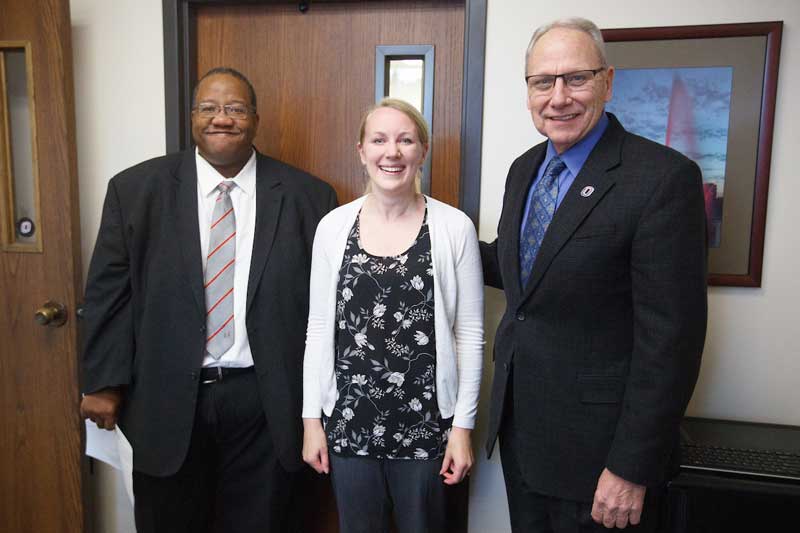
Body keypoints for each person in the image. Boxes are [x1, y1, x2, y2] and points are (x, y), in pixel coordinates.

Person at [79, 67, 337, 532]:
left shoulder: (309, 197)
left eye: (235, 109)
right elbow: (108, 293)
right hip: (165, 396)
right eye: (209, 108)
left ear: (255, 119)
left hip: (267, 400)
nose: (222, 119)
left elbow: (325, 309)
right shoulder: (135, 190)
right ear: (192, 117)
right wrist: (102, 381)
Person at [481, 18, 707, 532]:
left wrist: (631, 467)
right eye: (543, 82)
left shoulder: (661, 179)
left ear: (607, 81)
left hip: (603, 463)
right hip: (526, 441)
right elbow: (524, 271)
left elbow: (672, 341)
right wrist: (432, 238)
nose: (558, 97)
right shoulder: (525, 169)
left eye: (575, 78)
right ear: (529, 92)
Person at [301, 98, 484, 533]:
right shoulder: (332, 227)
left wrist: (462, 427)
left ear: (422, 150)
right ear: (362, 151)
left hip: (427, 429)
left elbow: (470, 335)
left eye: (405, 140)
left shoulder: (454, 227)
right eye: (379, 140)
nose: (392, 151)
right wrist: (311, 421)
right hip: (349, 426)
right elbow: (319, 330)